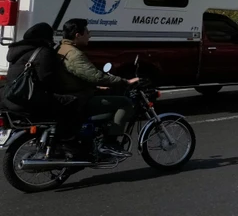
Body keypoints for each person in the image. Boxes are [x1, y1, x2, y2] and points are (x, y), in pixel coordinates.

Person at [1, 23, 84, 156]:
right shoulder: (43, 52)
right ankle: (67, 141)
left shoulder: (17, 52)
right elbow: (48, 79)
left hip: (10, 98)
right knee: (72, 102)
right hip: (28, 100)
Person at [57, 19, 139, 148]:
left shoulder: (62, 48)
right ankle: (111, 143)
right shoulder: (74, 54)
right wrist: (125, 82)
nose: (90, 35)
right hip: (79, 99)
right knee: (125, 102)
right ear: (78, 35)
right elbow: (96, 76)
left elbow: (75, 76)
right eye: (87, 32)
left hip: (71, 94)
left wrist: (96, 86)